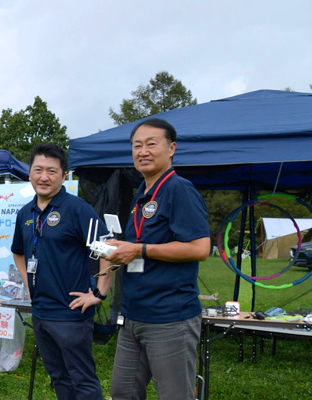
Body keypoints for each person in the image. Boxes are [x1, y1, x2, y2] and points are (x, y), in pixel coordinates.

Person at [105, 118, 210, 400]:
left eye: (152, 144)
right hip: (133, 316)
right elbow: (139, 246)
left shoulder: (179, 189)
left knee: (175, 395)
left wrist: (139, 250)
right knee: (123, 392)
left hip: (169, 318)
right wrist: (120, 251)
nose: (143, 151)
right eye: (137, 146)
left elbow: (200, 248)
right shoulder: (143, 193)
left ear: (171, 148)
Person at [11, 143, 113, 400]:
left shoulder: (78, 210)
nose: (44, 177)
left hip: (71, 314)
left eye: (52, 171)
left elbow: (107, 251)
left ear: (64, 175)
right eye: (38, 170)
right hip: (41, 313)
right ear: (30, 173)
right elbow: (18, 252)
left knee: (82, 379)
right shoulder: (25, 212)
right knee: (58, 378)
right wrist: (27, 282)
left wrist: (99, 294)